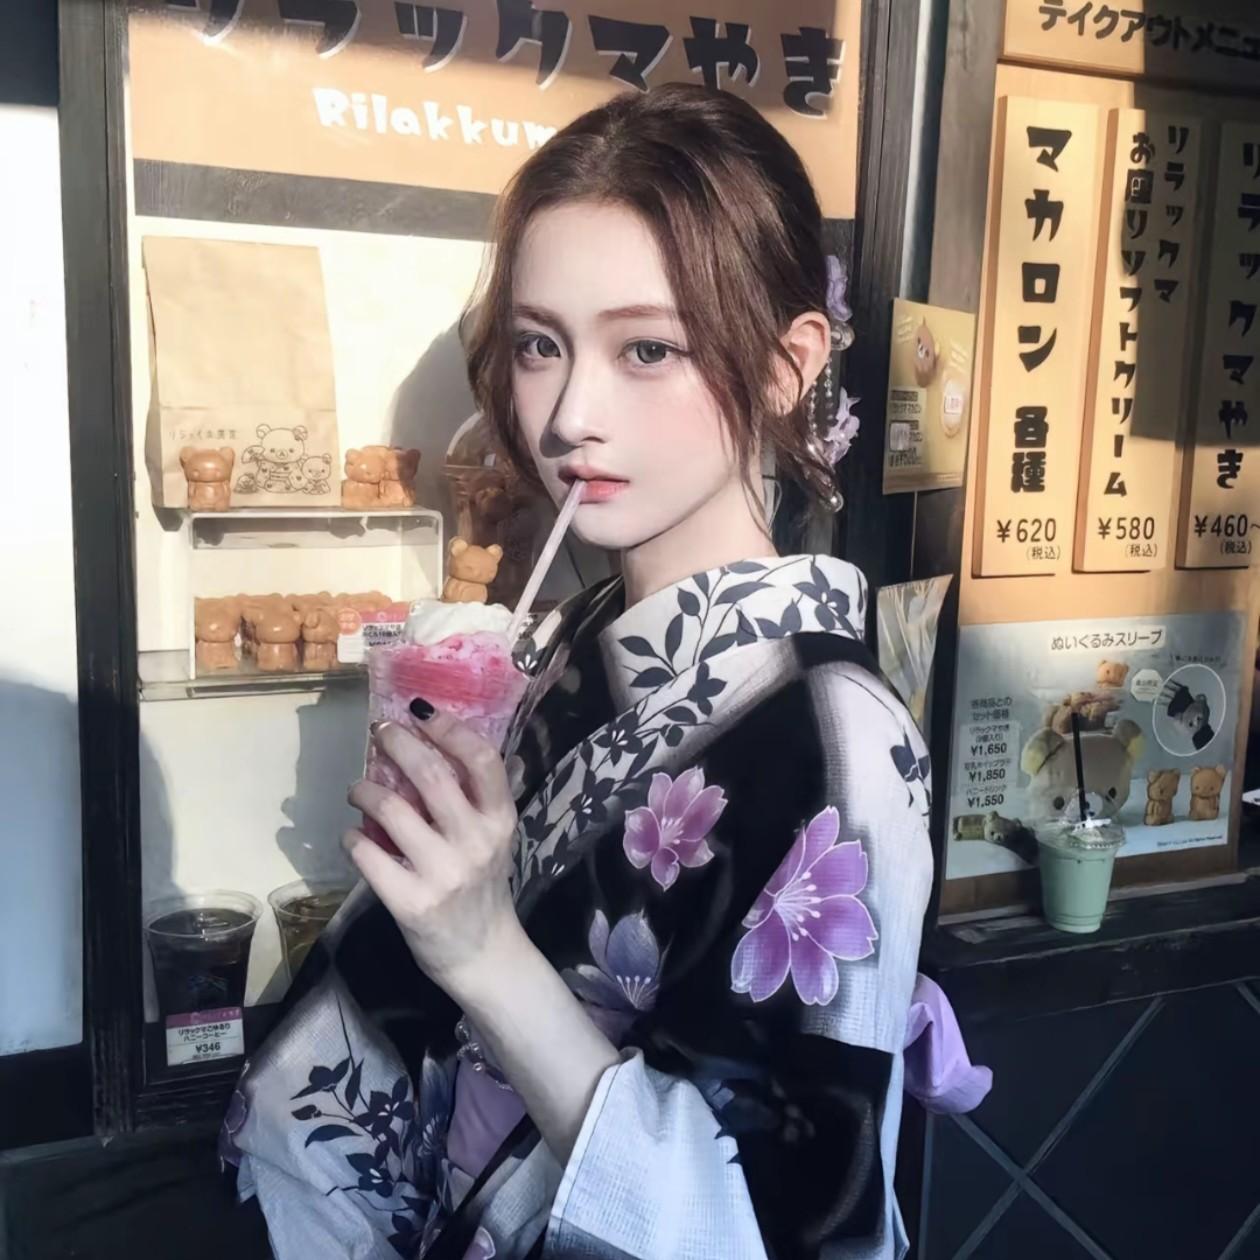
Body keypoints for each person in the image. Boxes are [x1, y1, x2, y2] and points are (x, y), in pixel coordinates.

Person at [223, 83, 987, 1259]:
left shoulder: (843, 742)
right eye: (540, 345)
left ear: (786, 366)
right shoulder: (572, 640)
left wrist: (481, 948)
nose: (570, 414)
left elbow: (773, 1227)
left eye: (647, 349)